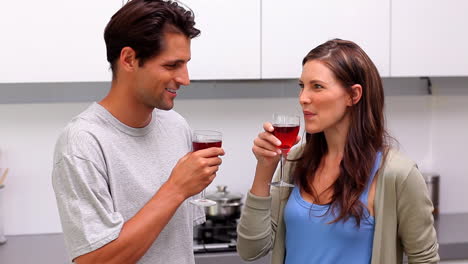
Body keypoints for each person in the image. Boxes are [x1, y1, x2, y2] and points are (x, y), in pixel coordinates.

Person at [237, 39, 439, 264]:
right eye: (302, 86)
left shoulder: (398, 174)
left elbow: (425, 259)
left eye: (317, 86)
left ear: (353, 95)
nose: (303, 98)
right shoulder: (295, 161)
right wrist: (264, 168)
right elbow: (250, 249)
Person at [51, 1, 224, 263]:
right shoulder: (82, 143)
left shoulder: (177, 126)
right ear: (129, 60)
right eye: (171, 65)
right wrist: (176, 189)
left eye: (186, 64)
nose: (185, 78)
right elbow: (95, 260)